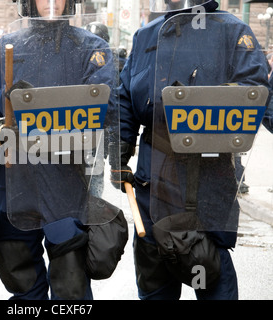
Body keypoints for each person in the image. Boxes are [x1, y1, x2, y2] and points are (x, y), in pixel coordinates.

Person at [114, 0, 269, 300]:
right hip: (152, 185)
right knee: (155, 288)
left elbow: (255, 92)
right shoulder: (147, 34)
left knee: (213, 284)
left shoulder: (232, 31)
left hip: (207, 187)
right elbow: (124, 98)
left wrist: (201, 105)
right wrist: (119, 151)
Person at [0, 0, 118, 299]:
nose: (52, 2)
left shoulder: (91, 48)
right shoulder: (7, 46)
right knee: (20, 278)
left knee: (71, 286)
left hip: (67, 179)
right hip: (14, 177)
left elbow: (107, 105)